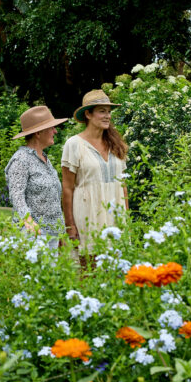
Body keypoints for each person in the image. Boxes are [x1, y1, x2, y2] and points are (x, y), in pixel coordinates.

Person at [61, 89, 129, 266]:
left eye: (109, 111)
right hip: (87, 213)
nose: (107, 116)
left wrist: (126, 218)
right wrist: (70, 225)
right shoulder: (74, 144)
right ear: (88, 114)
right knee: (89, 270)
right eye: (102, 111)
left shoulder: (116, 145)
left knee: (116, 269)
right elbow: (68, 188)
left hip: (115, 213)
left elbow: (123, 184)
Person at [5, 106, 68, 244]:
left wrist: (61, 231)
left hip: (52, 233)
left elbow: (54, 199)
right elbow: (16, 196)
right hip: (33, 234)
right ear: (38, 133)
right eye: (51, 128)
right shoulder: (21, 160)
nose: (55, 131)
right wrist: (28, 221)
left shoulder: (44, 159)